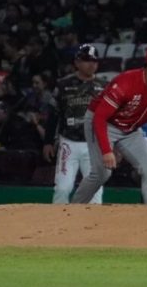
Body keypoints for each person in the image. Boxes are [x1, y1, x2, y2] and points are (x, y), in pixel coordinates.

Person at [71, 44, 147, 205]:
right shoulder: (126, 83)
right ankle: (72, 209)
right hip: (103, 122)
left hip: (130, 129)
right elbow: (100, 117)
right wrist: (107, 151)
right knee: (102, 174)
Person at [46, 44, 108, 204]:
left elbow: (111, 117)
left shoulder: (104, 86)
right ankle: (58, 225)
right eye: (87, 60)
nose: (91, 64)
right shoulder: (62, 85)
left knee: (95, 191)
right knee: (62, 188)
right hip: (69, 142)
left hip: (94, 144)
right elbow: (53, 115)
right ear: (77, 62)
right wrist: (47, 142)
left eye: (95, 61)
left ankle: (92, 226)